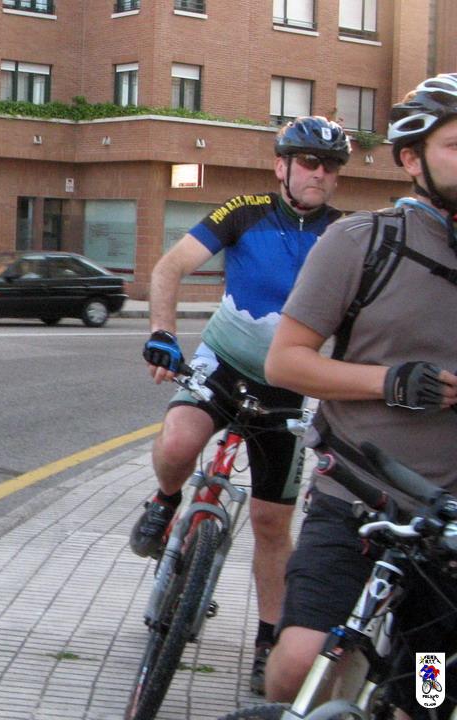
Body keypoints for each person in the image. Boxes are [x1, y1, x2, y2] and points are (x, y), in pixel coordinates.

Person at [263, 74, 457, 718]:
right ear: (412, 159)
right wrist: (391, 381)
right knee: (299, 670)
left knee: (426, 695)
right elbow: (286, 360)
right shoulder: (361, 242)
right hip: (357, 503)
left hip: (446, 533)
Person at [136, 116, 351, 695]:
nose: (321, 174)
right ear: (282, 166)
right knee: (179, 441)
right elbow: (170, 267)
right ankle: (165, 501)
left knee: (271, 523)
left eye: (331, 166)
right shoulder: (244, 211)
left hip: (288, 388)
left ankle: (267, 642)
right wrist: (163, 332)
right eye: (310, 162)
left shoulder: (343, 235)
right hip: (223, 364)